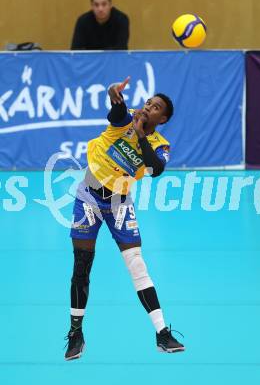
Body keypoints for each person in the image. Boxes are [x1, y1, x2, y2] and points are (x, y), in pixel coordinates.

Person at [64, 76, 185, 360]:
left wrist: (142, 135)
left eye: (155, 108)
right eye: (148, 103)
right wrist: (114, 95)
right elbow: (116, 114)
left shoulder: (160, 144)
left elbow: (155, 169)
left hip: (119, 204)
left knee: (137, 267)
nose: (147, 107)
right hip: (89, 198)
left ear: (163, 119)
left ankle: (161, 333)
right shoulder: (126, 118)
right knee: (82, 266)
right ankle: (76, 332)